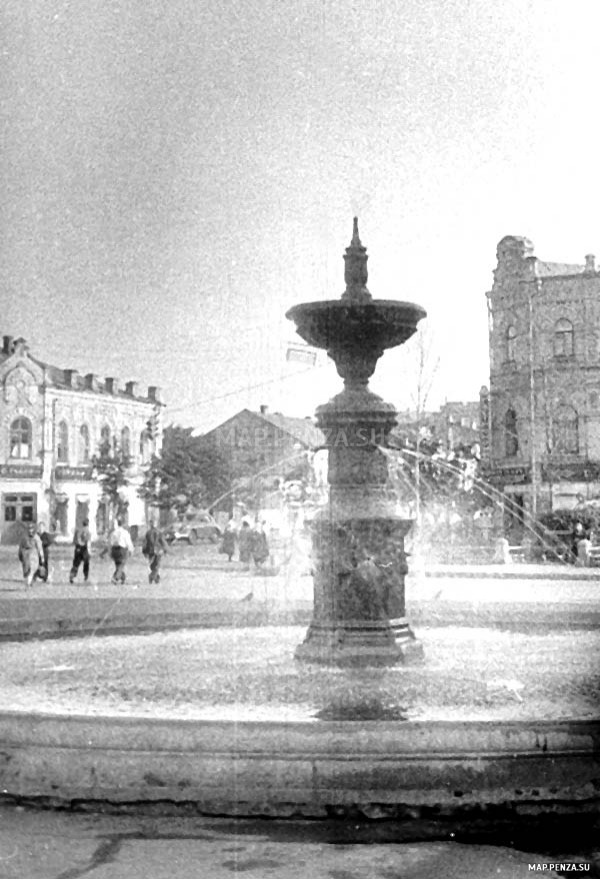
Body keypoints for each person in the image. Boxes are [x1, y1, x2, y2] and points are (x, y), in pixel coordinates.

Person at [18, 523, 44, 588]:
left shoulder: (35, 537)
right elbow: (21, 546)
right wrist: (20, 555)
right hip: (27, 555)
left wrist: (41, 556)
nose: (30, 531)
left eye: (31, 529)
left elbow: (39, 547)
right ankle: (28, 583)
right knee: (28, 570)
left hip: (33, 555)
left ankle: (29, 582)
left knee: (32, 569)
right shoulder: (25, 537)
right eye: (29, 529)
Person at [109, 517, 134, 584]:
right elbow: (128, 542)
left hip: (114, 550)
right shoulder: (124, 532)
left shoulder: (113, 532)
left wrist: (110, 552)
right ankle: (115, 578)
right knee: (121, 565)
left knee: (118, 565)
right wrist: (131, 550)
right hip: (121, 550)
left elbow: (111, 543)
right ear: (123, 524)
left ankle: (123, 578)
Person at [70, 518, 92, 584]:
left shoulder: (78, 531)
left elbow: (74, 541)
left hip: (78, 548)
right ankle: (86, 576)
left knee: (76, 564)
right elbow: (88, 543)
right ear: (88, 524)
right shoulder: (88, 532)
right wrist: (90, 552)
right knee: (86, 564)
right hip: (85, 549)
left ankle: (72, 575)